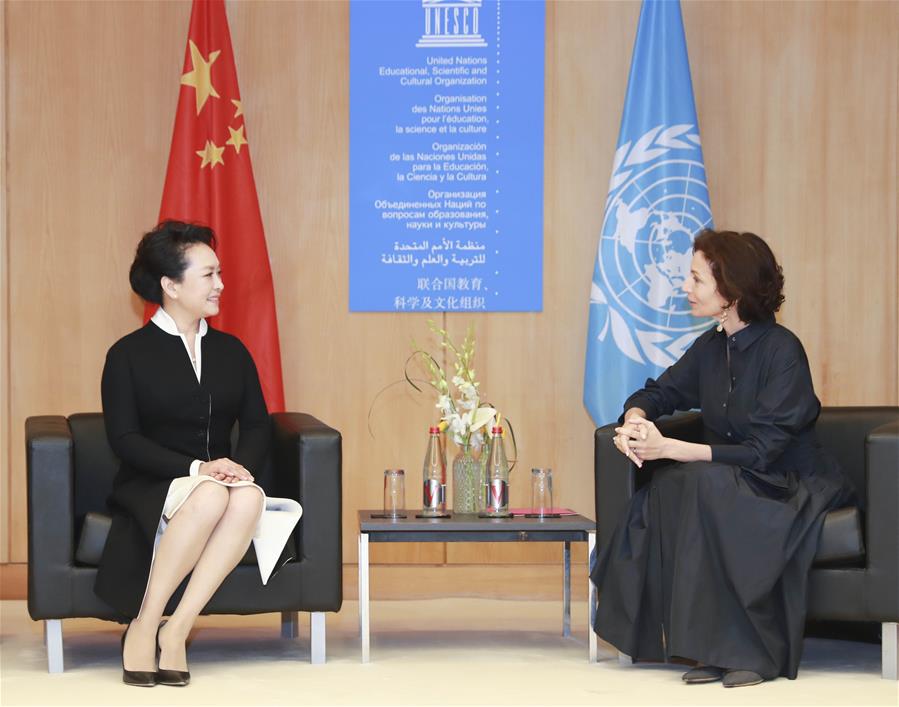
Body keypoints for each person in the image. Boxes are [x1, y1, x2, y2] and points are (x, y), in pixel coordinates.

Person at [590, 229, 856, 687]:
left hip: (788, 481)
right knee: (677, 484)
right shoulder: (712, 347)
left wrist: (670, 448)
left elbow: (763, 452)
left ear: (730, 290)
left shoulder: (782, 351)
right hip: (737, 479)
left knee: (701, 481)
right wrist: (635, 419)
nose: (685, 288)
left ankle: (754, 653)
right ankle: (710, 648)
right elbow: (660, 392)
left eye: (695, 279)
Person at [95, 221, 277, 687]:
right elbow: (125, 441)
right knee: (212, 495)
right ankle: (143, 625)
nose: (220, 285)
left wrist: (240, 468)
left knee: (248, 497)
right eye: (208, 275)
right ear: (170, 286)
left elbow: (257, 424)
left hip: (218, 481)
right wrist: (198, 469)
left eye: (219, 273)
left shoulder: (232, 351)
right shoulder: (127, 355)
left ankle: (175, 630)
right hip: (154, 480)